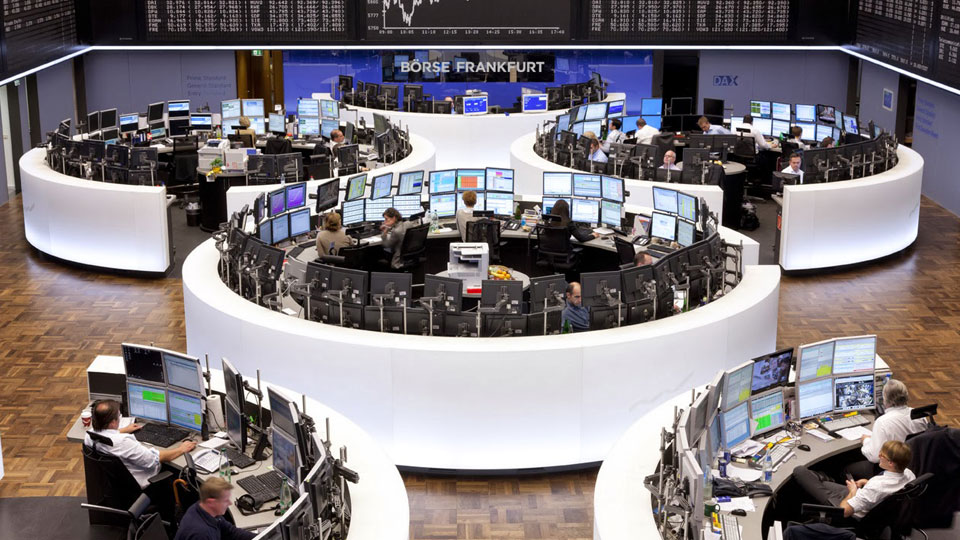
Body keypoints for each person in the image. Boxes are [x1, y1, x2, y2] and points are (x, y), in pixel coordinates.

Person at [83, 399, 196, 489]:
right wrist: (181, 449)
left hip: (113, 486)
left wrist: (123, 430)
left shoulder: (89, 436)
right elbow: (154, 459)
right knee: (180, 475)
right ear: (113, 423)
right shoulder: (123, 442)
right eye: (118, 417)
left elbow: (107, 435)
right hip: (142, 486)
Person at [793, 440, 915, 519]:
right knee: (823, 483)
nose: (879, 456)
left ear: (891, 463)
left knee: (800, 471)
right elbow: (885, 491)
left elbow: (844, 512)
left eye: (882, 455)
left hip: (850, 510)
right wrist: (867, 482)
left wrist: (852, 491)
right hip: (863, 497)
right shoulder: (909, 475)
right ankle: (822, 478)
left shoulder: (876, 486)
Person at [846, 380, 928, 479]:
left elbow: (874, 457)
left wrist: (866, 440)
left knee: (846, 469)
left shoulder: (883, 422)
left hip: (889, 470)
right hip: (914, 465)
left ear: (885, 399)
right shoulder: (919, 415)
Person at [173, 477, 255, 540]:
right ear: (211, 502)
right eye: (225, 500)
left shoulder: (205, 509)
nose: (230, 503)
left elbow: (231, 531)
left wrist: (260, 537)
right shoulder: (201, 534)